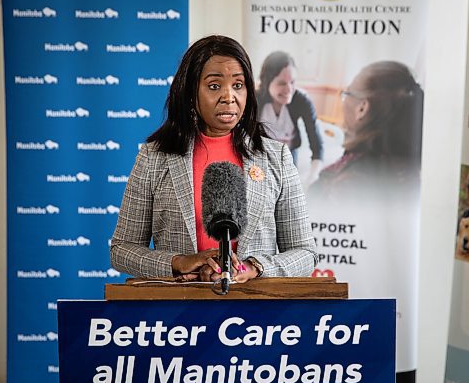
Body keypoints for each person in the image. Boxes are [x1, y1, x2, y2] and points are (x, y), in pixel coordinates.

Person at [110, 35, 317, 283]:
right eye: (214, 86)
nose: (229, 97)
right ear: (190, 93)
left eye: (238, 85)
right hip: (178, 313)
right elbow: (122, 250)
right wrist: (178, 262)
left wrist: (255, 267)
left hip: (258, 315)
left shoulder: (276, 157)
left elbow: (305, 253)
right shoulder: (154, 157)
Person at [310, 60, 423, 199]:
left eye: (347, 94)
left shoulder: (350, 181)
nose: (343, 101)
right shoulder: (410, 167)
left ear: (362, 108)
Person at [257, 51, 324, 185]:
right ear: (266, 82)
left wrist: (312, 177)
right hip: (260, 155)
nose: (289, 89)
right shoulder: (254, 100)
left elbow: (317, 145)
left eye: (292, 82)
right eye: (281, 83)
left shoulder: (302, 101)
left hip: (288, 155)